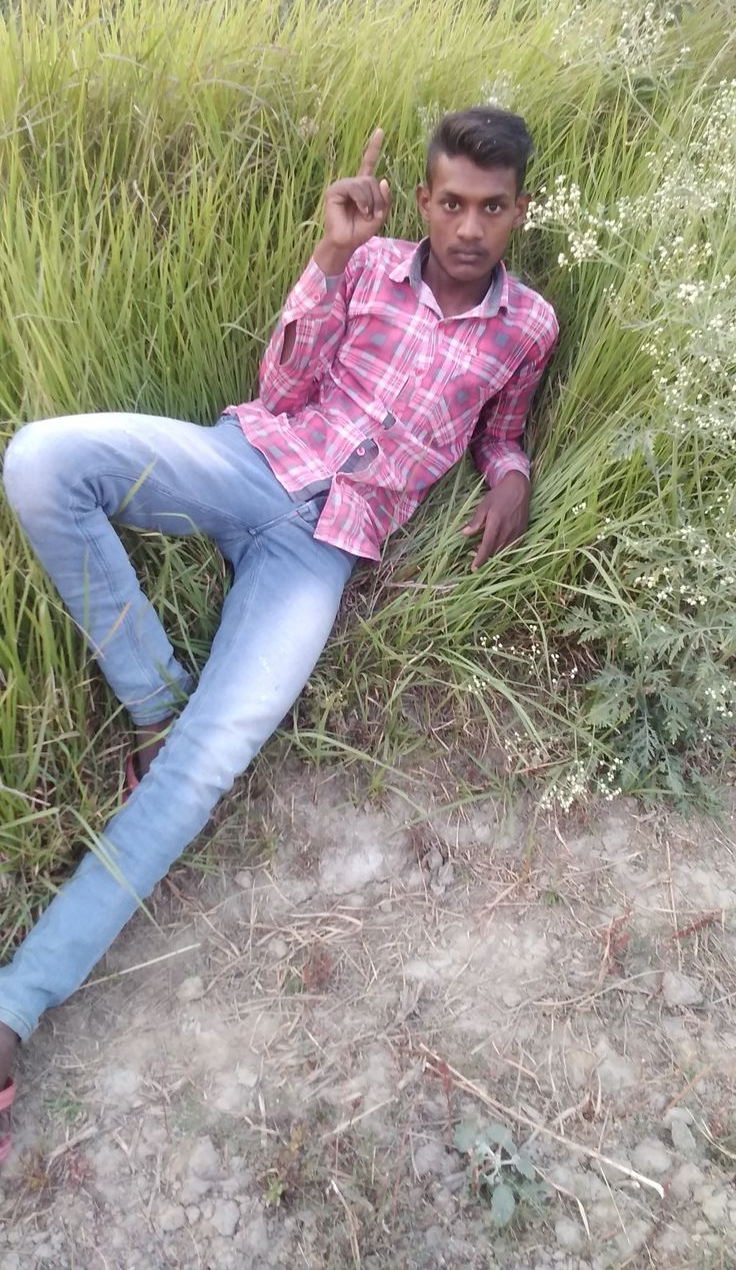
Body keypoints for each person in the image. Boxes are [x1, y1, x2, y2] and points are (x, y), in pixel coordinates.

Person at [0, 106, 558, 1156]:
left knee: (211, 762)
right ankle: (156, 699)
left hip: (328, 546)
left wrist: (513, 474)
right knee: (37, 459)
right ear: (427, 198)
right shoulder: (369, 261)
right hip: (252, 460)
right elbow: (281, 389)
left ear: (517, 209)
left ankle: (15, 1005)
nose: (468, 227)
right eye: (450, 203)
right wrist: (326, 253)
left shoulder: (528, 325)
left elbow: (501, 426)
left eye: (491, 208)